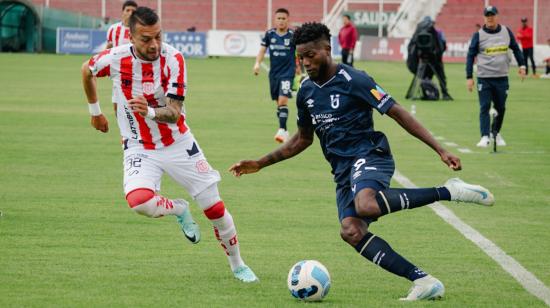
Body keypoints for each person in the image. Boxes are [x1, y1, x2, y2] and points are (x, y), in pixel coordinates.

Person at [230, 22, 494, 301]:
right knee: (352, 231)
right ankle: (423, 281)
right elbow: (302, 139)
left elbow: (397, 112)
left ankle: (448, 191)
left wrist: (440, 150)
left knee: (365, 203)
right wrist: (260, 163)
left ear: (327, 49)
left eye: (311, 55)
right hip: (342, 171)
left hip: (370, 154)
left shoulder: (354, 79)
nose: (306, 62)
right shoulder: (306, 91)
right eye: (301, 57)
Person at [81, 6, 257, 283]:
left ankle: (238, 265)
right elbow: (86, 70)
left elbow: (174, 112)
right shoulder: (115, 58)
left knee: (215, 210)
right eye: (146, 39)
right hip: (138, 145)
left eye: (158, 37)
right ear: (131, 37)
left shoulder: (173, 58)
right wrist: (95, 112)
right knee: (139, 202)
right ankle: (179, 208)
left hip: (178, 143)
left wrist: (149, 112)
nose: (154, 45)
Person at [466, 6, 526, 147]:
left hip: (502, 77)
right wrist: (469, 77)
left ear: (497, 16)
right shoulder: (479, 35)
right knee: (485, 106)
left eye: (492, 15)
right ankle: (485, 136)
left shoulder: (506, 32)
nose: (490, 18)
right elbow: (470, 56)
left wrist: (522, 66)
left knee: (501, 107)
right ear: (484, 18)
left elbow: (516, 49)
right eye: (487, 16)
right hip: (484, 78)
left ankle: (496, 133)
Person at [253, 8, 299, 143]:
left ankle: (281, 129)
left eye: (283, 18)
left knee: (283, 100)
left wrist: (299, 67)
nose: (281, 21)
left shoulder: (292, 35)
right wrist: (257, 64)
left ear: (288, 20)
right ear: (275, 20)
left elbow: (300, 52)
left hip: (287, 73)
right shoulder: (269, 34)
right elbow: (262, 50)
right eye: (278, 18)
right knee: (278, 103)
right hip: (273, 74)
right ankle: (285, 131)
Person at [406, 16, 452, 100]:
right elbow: (443, 46)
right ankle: (444, 94)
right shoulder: (439, 33)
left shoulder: (419, 33)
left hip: (426, 60)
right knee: (440, 77)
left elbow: (412, 47)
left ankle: (422, 93)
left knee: (423, 77)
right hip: (435, 60)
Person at [106, 1, 138, 115]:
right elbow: (108, 48)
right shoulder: (113, 29)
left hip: (136, 74)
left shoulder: (139, 30)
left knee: (134, 109)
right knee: (117, 108)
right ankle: (124, 132)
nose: (130, 13)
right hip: (118, 74)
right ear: (122, 12)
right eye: (127, 10)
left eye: (133, 11)